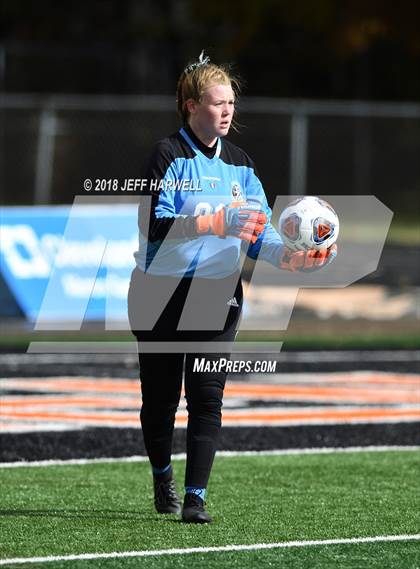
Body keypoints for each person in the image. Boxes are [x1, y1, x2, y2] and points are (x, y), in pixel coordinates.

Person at [128, 51, 336, 524]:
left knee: (207, 395)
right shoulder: (167, 155)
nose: (227, 111)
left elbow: (260, 237)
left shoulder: (242, 166)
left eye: (231, 104)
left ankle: (195, 497)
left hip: (215, 294)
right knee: (159, 402)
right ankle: (162, 475)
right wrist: (215, 221)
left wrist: (297, 257)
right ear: (190, 106)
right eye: (217, 103)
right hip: (159, 294)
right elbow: (153, 226)